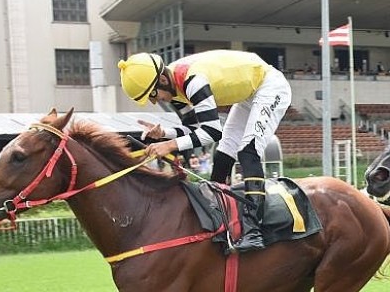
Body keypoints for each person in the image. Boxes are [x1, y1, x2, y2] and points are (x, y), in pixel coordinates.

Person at [117, 49, 291, 252]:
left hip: (269, 86)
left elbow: (212, 132)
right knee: (223, 154)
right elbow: (194, 128)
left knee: (248, 151)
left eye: (153, 95)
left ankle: (254, 231)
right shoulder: (174, 89)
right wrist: (164, 133)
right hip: (248, 94)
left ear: (163, 80)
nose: (155, 101)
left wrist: (169, 145)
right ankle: (220, 220)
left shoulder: (193, 82)